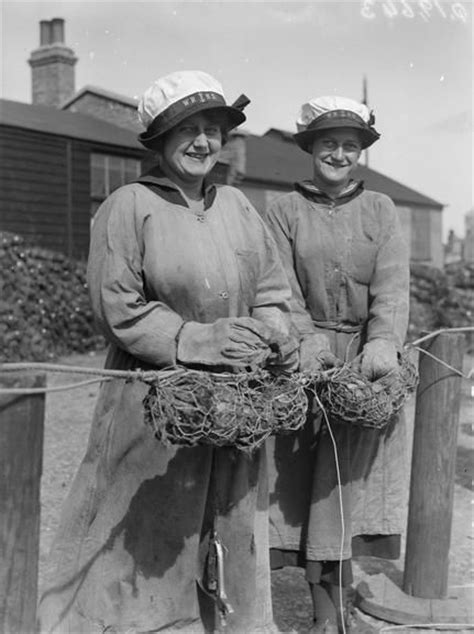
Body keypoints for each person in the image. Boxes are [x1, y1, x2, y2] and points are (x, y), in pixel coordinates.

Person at [38, 70, 298, 634]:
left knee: (228, 526)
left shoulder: (237, 205)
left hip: (236, 406)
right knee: (148, 540)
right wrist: (195, 339)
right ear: (159, 140)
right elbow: (118, 307)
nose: (204, 141)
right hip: (154, 404)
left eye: (213, 128)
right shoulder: (129, 206)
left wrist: (276, 327)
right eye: (189, 130)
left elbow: (275, 289)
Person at [265, 96, 410, 633]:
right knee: (307, 492)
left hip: (365, 362)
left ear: (361, 152)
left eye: (351, 145)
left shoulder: (382, 210)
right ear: (310, 148)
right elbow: (279, 287)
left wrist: (382, 343)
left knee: (350, 491)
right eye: (329, 143)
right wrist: (306, 342)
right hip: (306, 363)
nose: (339, 154)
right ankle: (323, 615)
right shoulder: (283, 210)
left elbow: (393, 286)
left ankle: (339, 610)